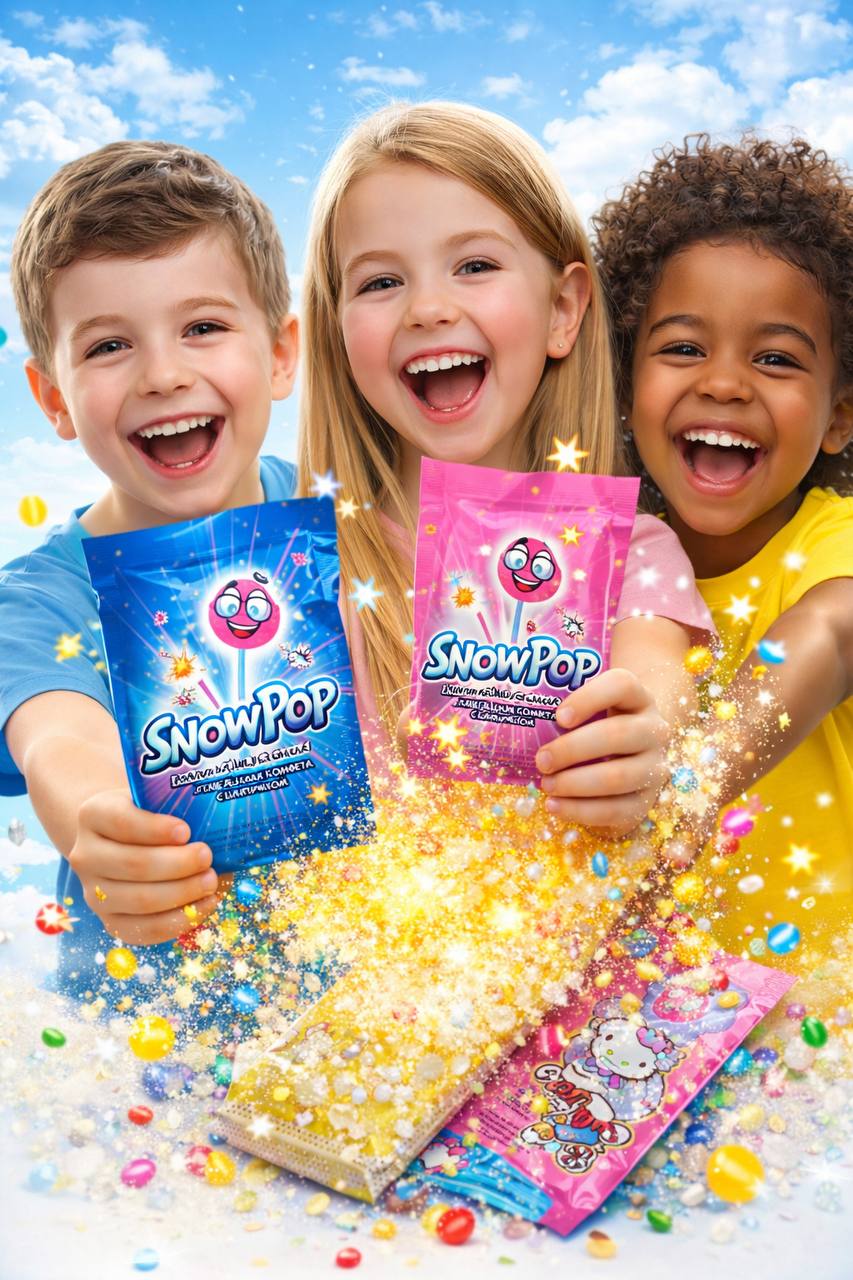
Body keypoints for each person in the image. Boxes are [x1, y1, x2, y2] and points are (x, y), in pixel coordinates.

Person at [296, 100, 715, 835]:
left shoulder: (634, 557)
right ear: (335, 332)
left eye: (476, 265)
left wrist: (643, 740)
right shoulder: (297, 572)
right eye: (380, 282)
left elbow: (655, 685)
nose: (427, 308)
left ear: (562, 309)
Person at [1, 141, 299, 995]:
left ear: (280, 353)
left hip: (369, 1023)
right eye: (108, 346)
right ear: (53, 399)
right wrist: (98, 819)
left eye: (203, 327)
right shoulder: (38, 605)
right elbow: (59, 737)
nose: (164, 375)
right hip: (154, 1046)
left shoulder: (346, 523)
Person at [593, 135, 853, 959]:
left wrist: (696, 778)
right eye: (682, 348)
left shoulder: (831, 540)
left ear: (839, 416)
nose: (723, 383)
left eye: (775, 358)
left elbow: (832, 633)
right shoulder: (596, 555)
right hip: (652, 1013)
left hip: (819, 1013)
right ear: (623, 384)